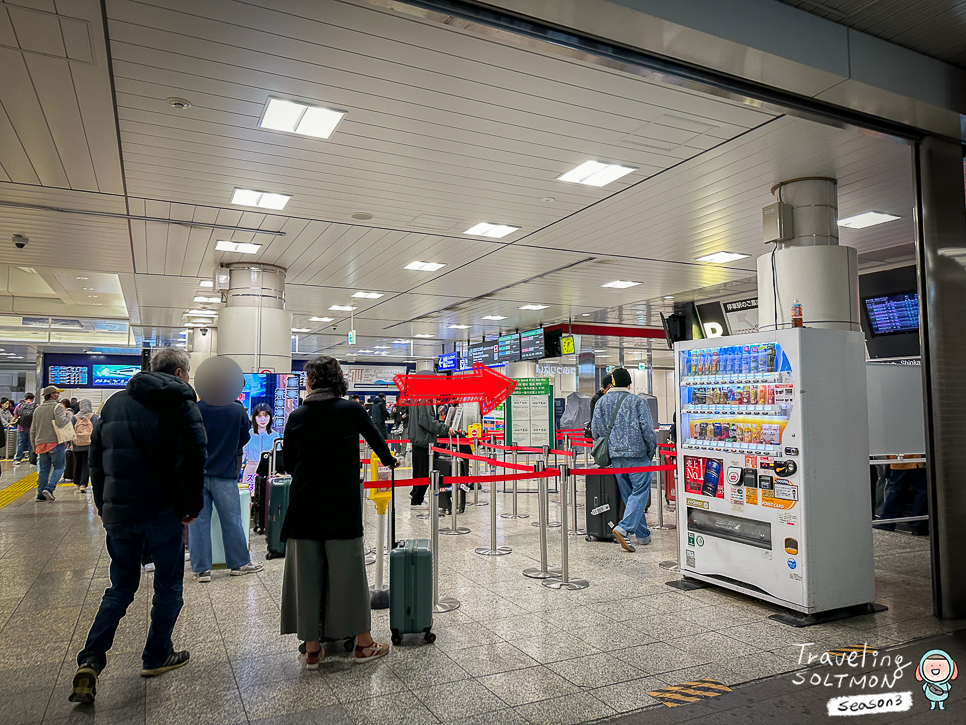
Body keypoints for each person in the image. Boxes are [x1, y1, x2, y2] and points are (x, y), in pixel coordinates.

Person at [68, 348, 207, 705]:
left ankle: (91, 660)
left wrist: (103, 505)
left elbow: (96, 462)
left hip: (120, 514)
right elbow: (192, 460)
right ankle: (156, 654)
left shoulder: (114, 404)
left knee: (121, 586)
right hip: (162, 512)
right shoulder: (180, 404)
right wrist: (190, 507)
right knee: (168, 585)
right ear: (179, 372)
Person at [279, 355, 396, 668]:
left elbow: (287, 464)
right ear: (339, 380)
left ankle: (313, 650)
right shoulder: (351, 409)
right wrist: (390, 462)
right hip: (341, 505)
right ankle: (363, 644)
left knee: (306, 577)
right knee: (350, 575)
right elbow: (378, 442)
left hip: (304, 505)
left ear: (312, 381)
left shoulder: (298, 415)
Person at [190, 394, 262, 582]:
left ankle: (201, 569)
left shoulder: (194, 408)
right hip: (225, 471)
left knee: (199, 522)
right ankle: (238, 564)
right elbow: (244, 437)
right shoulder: (236, 409)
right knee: (232, 520)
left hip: (198, 473)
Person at [590, 367, 656, 553]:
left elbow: (596, 431)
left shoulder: (602, 402)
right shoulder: (637, 401)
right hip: (637, 456)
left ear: (612, 383)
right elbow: (648, 431)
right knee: (640, 492)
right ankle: (624, 527)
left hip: (616, 457)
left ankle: (643, 536)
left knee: (630, 496)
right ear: (629, 384)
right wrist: (650, 452)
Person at [408, 402, 456, 507]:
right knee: (424, 472)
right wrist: (446, 428)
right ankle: (417, 500)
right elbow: (427, 422)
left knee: (419, 471)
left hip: (418, 440)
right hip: (424, 441)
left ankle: (415, 496)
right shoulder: (424, 400)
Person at [30, 386, 73, 501]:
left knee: (44, 469)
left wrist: (34, 445)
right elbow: (60, 423)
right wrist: (69, 416)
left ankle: (40, 495)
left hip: (40, 444)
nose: (58, 395)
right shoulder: (57, 406)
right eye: (56, 393)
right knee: (60, 466)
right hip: (55, 442)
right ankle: (49, 489)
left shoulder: (37, 409)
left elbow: (33, 429)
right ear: (52, 395)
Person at [71, 400, 98, 494]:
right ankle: (83, 484)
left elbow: (70, 430)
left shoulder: (74, 417)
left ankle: (76, 482)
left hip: (76, 444)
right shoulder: (94, 417)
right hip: (89, 444)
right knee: (86, 464)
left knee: (77, 463)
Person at [12, 392, 36, 464]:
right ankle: (31, 458)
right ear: (32, 399)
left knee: (20, 443)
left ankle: (17, 459)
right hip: (32, 428)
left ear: (25, 398)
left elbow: (15, 416)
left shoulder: (20, 405)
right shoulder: (36, 406)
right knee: (31, 444)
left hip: (21, 428)